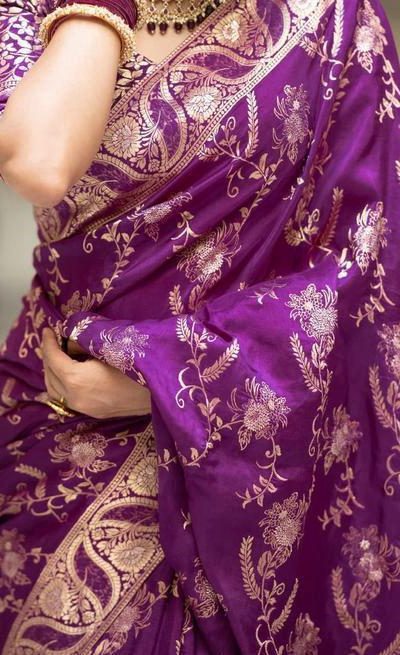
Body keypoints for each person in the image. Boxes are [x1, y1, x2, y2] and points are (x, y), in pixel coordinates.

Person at [0, 0, 399, 652]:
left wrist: (172, 381)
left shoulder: (332, 20)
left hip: (248, 463)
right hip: (59, 423)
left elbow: (364, 271)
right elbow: (39, 161)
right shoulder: (32, 12)